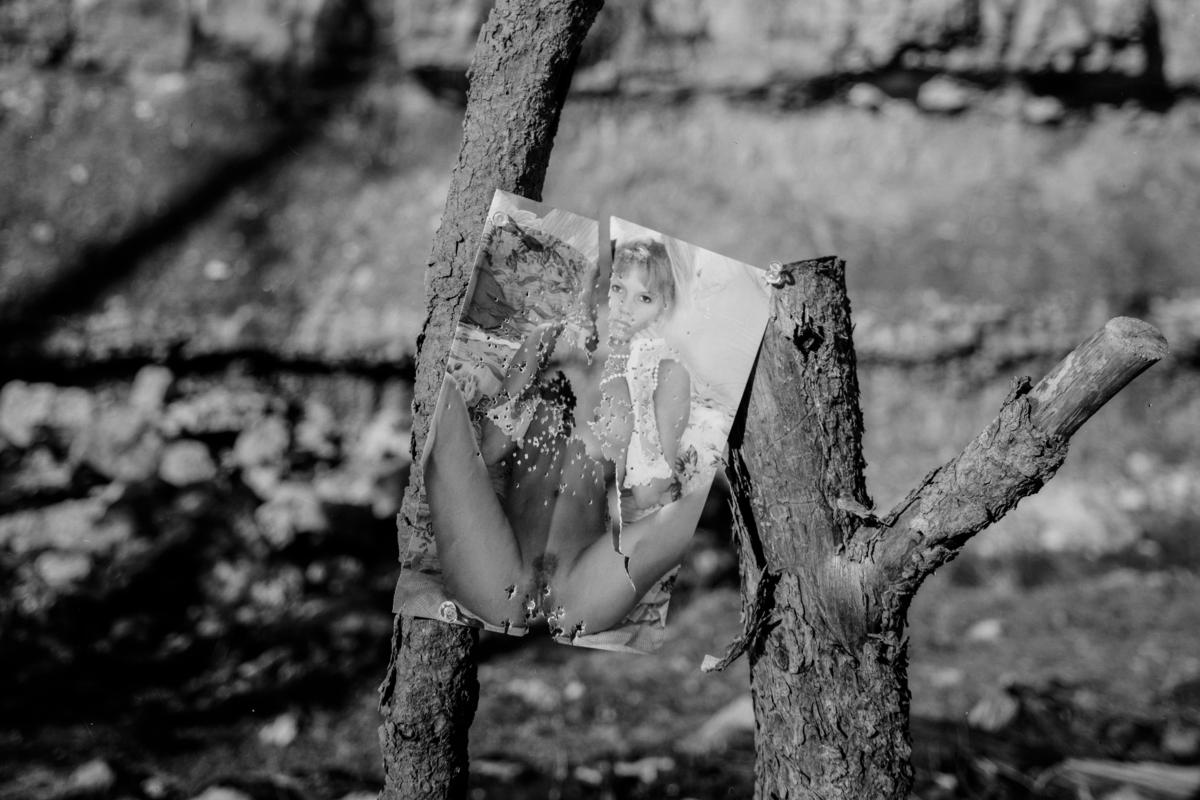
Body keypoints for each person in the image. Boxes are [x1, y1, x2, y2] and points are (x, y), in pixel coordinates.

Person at [423, 235, 708, 639]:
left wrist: (634, 407)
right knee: (444, 401)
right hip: (501, 571)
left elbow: (649, 496)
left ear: (662, 312)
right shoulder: (544, 343)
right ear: (594, 291)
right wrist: (535, 382)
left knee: (693, 507)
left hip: (582, 589)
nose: (624, 309)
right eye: (616, 288)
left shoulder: (663, 377)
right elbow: (488, 451)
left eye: (645, 299)